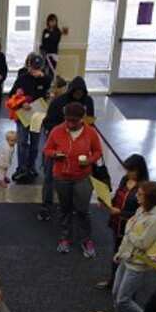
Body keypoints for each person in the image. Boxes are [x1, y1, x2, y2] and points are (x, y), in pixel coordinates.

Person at [43, 102, 103, 256]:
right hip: (61, 177)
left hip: (82, 177)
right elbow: (47, 149)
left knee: (83, 210)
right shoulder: (57, 131)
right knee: (65, 209)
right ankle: (65, 238)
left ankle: (86, 240)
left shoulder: (90, 132)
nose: (70, 124)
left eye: (74, 121)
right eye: (67, 120)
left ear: (82, 119)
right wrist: (55, 154)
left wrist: (89, 160)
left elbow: (97, 151)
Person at [112, 181, 156, 312]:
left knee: (123, 300)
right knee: (116, 294)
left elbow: (142, 243)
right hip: (126, 257)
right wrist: (120, 252)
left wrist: (128, 230)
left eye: (141, 195)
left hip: (137, 264)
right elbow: (130, 237)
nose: (137, 196)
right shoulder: (141, 209)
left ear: (151, 198)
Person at [40, 76, 96, 219]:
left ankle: (72, 208)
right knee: (50, 176)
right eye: (76, 93)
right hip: (58, 146)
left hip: (79, 148)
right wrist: (63, 131)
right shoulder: (59, 102)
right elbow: (47, 123)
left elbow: (91, 121)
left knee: (78, 179)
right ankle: (46, 206)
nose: (78, 95)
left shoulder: (88, 101)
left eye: (81, 93)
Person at [94, 154, 150, 289]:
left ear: (139, 170)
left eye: (131, 170)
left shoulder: (145, 188)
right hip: (117, 224)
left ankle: (125, 286)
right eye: (127, 170)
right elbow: (119, 197)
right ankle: (113, 281)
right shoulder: (125, 179)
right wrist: (107, 202)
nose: (128, 173)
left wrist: (120, 213)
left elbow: (144, 213)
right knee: (117, 252)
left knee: (129, 257)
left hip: (132, 228)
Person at [7, 53, 52, 183]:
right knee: (22, 142)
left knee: (35, 143)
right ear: (28, 66)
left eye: (38, 68)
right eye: (33, 68)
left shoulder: (47, 79)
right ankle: (21, 167)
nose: (35, 71)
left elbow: (51, 92)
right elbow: (11, 95)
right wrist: (22, 103)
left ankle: (31, 166)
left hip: (38, 116)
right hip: (23, 115)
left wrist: (44, 79)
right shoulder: (22, 79)